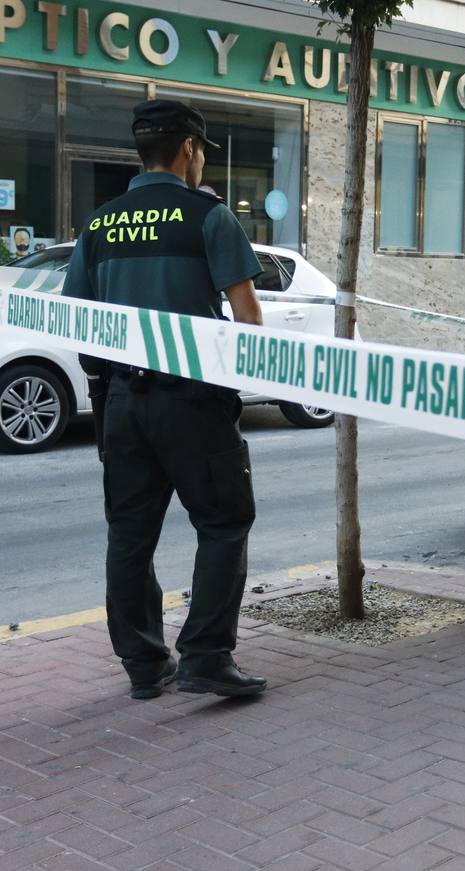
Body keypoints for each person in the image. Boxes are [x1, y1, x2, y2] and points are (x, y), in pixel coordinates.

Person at [63, 100, 268, 700]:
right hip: (193, 400)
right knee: (225, 521)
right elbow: (249, 318)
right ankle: (205, 655)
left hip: (121, 399)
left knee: (129, 534)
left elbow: (78, 322)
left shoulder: (100, 225)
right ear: (188, 149)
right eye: (202, 152)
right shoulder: (209, 217)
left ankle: (144, 666)